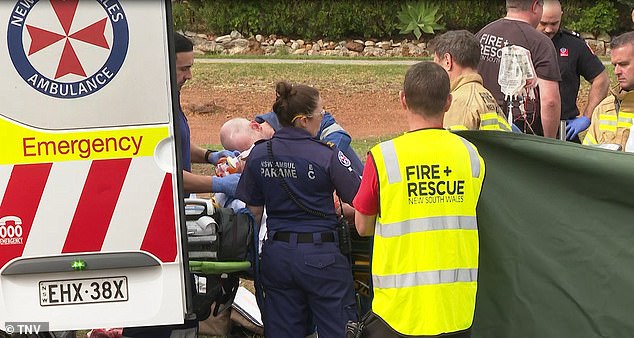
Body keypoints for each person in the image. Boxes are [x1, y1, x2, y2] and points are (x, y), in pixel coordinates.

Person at [353, 62, 485, 337]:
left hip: (399, 312)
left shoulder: (383, 157)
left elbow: (363, 227)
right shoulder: (471, 155)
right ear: (448, 102)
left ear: (403, 100)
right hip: (456, 309)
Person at [121, 32, 238, 338]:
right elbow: (168, 173)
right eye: (183, 69)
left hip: (174, 216)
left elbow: (176, 145)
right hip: (157, 216)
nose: (189, 75)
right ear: (163, 66)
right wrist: (220, 184)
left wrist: (210, 155)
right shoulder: (153, 106)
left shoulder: (170, 98)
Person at [235, 81, 361, 337]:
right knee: (339, 329)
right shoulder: (326, 155)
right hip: (322, 256)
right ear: (303, 120)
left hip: (278, 256)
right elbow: (360, 199)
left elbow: (253, 211)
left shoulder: (260, 154)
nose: (323, 118)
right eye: (321, 114)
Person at [477, 0, 561, 138]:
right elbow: (550, 101)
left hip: (482, 127)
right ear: (535, 6)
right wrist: (550, 142)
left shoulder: (483, 33)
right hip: (521, 134)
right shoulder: (540, 42)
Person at [537, 0, 609, 143]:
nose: (549, 29)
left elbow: (601, 79)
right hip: (527, 128)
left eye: (554, 23)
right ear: (535, 14)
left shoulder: (574, 45)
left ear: (561, 16)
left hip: (564, 130)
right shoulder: (521, 41)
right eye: (544, 23)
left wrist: (587, 117)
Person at [429, 30, 512, 131]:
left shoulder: (460, 104)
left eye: (437, 64)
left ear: (447, 61)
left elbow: (453, 145)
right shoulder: (486, 96)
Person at [239, 109, 366, 175]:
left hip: (358, 192)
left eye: (254, 147)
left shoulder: (301, 117)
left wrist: (313, 165)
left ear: (255, 126)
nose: (256, 153)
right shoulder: (270, 146)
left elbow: (340, 137)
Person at [583, 31, 634, 150]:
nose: (616, 71)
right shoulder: (604, 109)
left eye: (623, 64)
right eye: (615, 65)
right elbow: (587, 158)